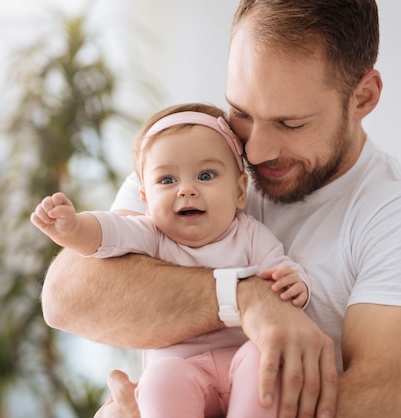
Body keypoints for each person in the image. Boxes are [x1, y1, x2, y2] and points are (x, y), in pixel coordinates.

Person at [41, 1, 401, 417]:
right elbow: (67, 299)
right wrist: (244, 297)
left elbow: (376, 406)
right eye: (242, 113)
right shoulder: (196, 166)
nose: (254, 150)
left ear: (364, 97)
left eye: (290, 123)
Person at [32, 103, 310, 417]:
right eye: (167, 181)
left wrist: (294, 281)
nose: (187, 190)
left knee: (264, 360)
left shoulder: (250, 235)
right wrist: (72, 228)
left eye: (206, 175)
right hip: (180, 369)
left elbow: (280, 269)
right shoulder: (150, 234)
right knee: (158, 381)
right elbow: (106, 235)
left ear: (240, 191)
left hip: (240, 362)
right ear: (145, 199)